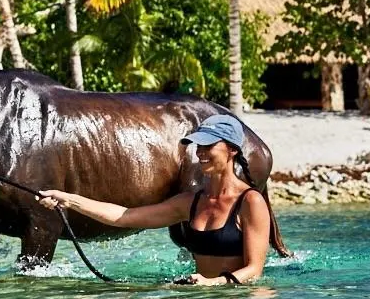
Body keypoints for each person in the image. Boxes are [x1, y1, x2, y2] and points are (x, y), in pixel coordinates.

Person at [37, 114, 274, 286]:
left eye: (209, 145)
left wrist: (213, 284)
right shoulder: (189, 202)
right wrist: (68, 199)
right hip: (200, 298)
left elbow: (254, 270)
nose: (200, 152)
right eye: (198, 146)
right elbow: (125, 216)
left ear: (232, 150)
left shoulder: (250, 202)